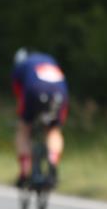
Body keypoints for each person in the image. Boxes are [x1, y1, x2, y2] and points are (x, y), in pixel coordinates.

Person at [11, 47, 68, 188]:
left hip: (34, 90)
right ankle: (52, 162)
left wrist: (23, 116)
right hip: (59, 92)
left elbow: (19, 92)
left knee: (24, 129)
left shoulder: (21, 65)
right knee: (53, 130)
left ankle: (24, 170)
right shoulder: (50, 60)